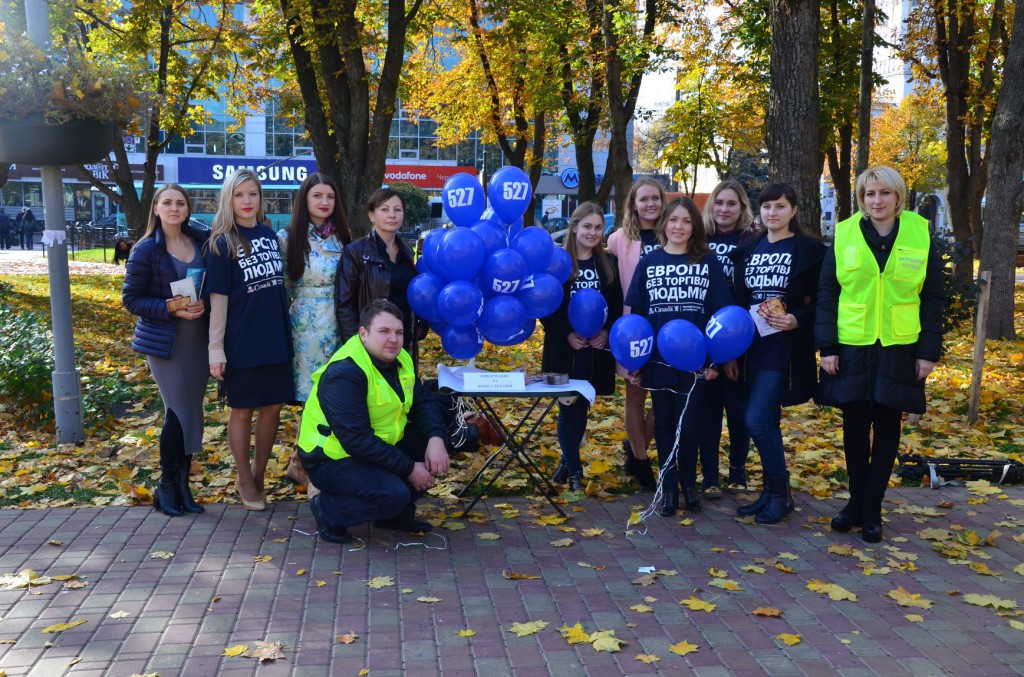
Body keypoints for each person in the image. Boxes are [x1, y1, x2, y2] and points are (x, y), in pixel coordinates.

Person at [817, 166, 943, 544]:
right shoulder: (844, 234)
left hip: (899, 347)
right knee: (855, 429)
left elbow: (932, 297)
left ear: (898, 196)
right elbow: (828, 293)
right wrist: (827, 347)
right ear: (861, 199)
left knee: (887, 428)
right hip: (852, 345)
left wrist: (928, 353)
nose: (877, 201)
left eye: (884, 193)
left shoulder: (920, 234)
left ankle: (870, 508)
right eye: (869, 194)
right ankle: (857, 503)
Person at [298, 299, 449, 544]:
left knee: (438, 445)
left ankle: (394, 516)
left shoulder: (401, 359)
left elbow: (422, 403)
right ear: (363, 333)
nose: (393, 339)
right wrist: (410, 468)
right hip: (330, 458)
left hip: (373, 444)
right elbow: (356, 440)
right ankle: (328, 511)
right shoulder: (344, 373)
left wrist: (436, 439)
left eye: (399, 332)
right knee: (392, 494)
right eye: (384, 332)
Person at [625, 197, 734, 516]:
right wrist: (636, 361)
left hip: (696, 361)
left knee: (689, 427)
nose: (678, 226)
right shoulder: (650, 261)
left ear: (694, 226)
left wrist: (715, 361)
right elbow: (638, 316)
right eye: (673, 220)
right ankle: (669, 486)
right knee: (664, 424)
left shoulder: (708, 261)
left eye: (686, 221)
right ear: (664, 224)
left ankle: (689, 484)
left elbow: (720, 315)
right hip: (659, 360)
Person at [731, 183, 825, 525]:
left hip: (782, 349)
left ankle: (781, 493)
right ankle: (772, 493)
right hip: (750, 347)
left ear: (794, 210)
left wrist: (796, 319)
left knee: (755, 419)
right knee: (766, 421)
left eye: (780, 206)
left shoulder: (810, 249)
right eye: (767, 206)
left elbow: (825, 301)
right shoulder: (750, 247)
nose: (772, 213)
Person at [206, 169, 294, 511]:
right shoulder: (221, 242)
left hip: (274, 334)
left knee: (272, 407)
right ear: (229, 199)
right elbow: (219, 299)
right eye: (239, 195)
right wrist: (216, 348)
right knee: (242, 410)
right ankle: (243, 478)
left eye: (252, 194)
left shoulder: (271, 237)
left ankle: (259, 473)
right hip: (241, 339)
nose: (247, 201)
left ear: (260, 199)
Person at [122, 184, 210, 517]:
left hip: (199, 340)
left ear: (187, 209)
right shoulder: (146, 249)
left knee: (193, 412)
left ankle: (184, 482)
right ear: (156, 209)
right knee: (178, 411)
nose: (174, 208)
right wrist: (170, 308)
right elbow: (131, 300)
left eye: (180, 203)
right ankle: (166, 485)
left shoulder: (200, 240)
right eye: (167, 203)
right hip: (166, 343)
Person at [540, 202, 624, 491]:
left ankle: (566, 464)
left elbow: (615, 304)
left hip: (593, 349)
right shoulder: (558, 261)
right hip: (564, 348)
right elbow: (546, 304)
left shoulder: (609, 263)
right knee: (568, 408)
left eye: (598, 227)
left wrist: (606, 331)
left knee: (582, 408)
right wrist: (565, 334)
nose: (593, 232)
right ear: (573, 227)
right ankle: (575, 471)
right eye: (587, 226)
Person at [606, 177, 666, 490]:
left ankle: (634, 444)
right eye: (643, 199)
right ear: (633, 204)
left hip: (669, 327)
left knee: (664, 397)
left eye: (655, 198)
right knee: (635, 394)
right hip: (633, 330)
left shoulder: (673, 233)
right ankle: (642, 463)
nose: (650, 204)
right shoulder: (618, 239)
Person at [701, 180, 759, 494]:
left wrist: (733, 351)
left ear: (741, 208)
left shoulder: (751, 240)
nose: (724, 209)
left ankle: (737, 471)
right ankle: (710, 477)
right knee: (709, 411)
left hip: (740, 336)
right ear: (712, 205)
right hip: (703, 336)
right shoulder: (701, 239)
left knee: (738, 411)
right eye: (719, 202)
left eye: (731, 204)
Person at [278, 173, 353, 403]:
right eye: (318, 196)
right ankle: (307, 440)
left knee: (339, 393)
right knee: (310, 397)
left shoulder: (342, 236)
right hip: (304, 327)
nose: (325, 202)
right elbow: (282, 286)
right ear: (305, 199)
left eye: (330, 197)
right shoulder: (287, 237)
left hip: (340, 321)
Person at [336, 188, 423, 370]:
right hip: (371, 342)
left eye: (397, 209)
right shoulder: (355, 252)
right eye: (384, 209)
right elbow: (345, 305)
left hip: (402, 337)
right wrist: (356, 346)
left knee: (403, 393)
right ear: (371, 215)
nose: (392, 215)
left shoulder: (407, 252)